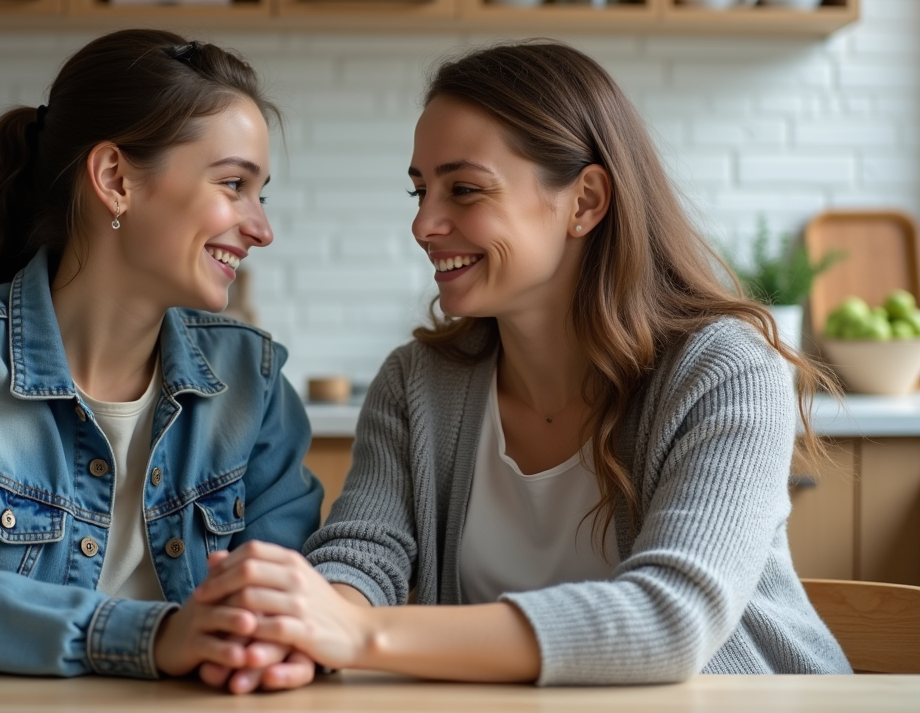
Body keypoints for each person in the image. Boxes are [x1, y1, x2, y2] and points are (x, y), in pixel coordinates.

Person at [194, 40, 852, 686]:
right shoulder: (417, 383)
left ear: (585, 202)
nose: (425, 224)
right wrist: (302, 626)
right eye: (420, 192)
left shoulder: (726, 372)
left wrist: (359, 634)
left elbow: (671, 620)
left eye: (465, 189)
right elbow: (364, 556)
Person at [0, 29, 322, 689]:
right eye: (233, 184)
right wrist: (150, 637)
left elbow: (287, 600)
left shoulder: (252, 382)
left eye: (260, 193)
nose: (261, 228)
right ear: (115, 179)